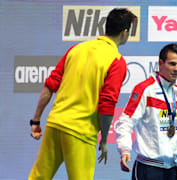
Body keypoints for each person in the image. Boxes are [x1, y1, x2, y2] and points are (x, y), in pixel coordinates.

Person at [28, 8, 136, 180]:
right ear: (124, 33)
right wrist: (104, 139)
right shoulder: (116, 61)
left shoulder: (76, 49)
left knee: (37, 177)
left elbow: (49, 85)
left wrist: (36, 120)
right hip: (81, 132)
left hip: (55, 124)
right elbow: (107, 105)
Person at [115, 43, 177, 180]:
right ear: (160, 63)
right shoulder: (145, 90)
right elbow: (125, 122)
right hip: (148, 168)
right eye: (172, 64)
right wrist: (124, 149)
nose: (176, 69)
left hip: (171, 169)